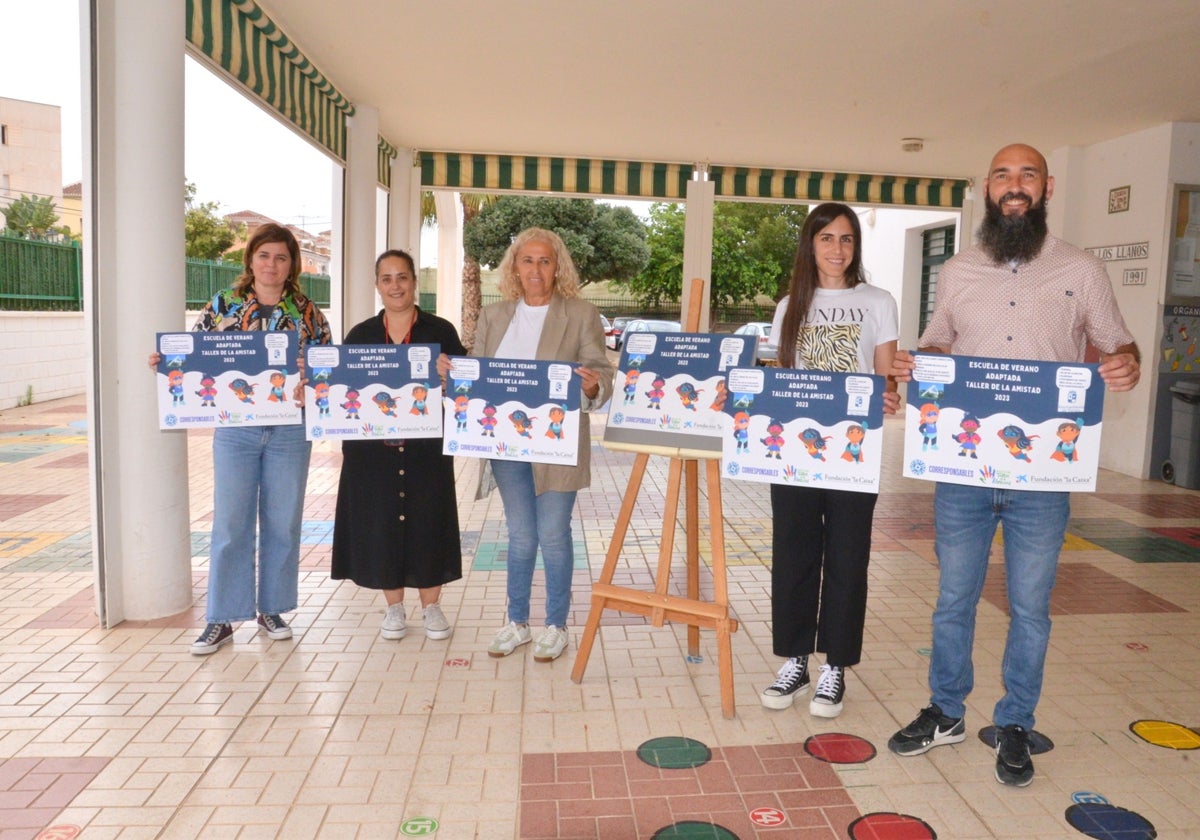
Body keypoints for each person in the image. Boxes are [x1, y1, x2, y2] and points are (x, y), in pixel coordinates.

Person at [886, 144, 1141, 787]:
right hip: (964, 471)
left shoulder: (1080, 270)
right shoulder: (958, 270)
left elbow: (1118, 343)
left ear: (1046, 186)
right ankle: (946, 711)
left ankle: (1016, 722)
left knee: (1031, 606)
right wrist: (921, 359)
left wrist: (1126, 362)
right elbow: (939, 335)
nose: (1015, 185)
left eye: (1027, 174)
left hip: (1042, 478)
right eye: (1003, 175)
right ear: (988, 187)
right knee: (953, 599)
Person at [149, 223, 332, 654]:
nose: (272, 264)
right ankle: (222, 617)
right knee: (231, 523)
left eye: (281, 257)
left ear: (292, 265)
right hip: (236, 430)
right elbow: (192, 358)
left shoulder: (308, 312)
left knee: (283, 521)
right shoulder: (223, 305)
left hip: (291, 431)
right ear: (250, 260)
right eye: (264, 255)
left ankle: (272, 609)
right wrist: (165, 363)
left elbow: (327, 368)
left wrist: (313, 381)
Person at [441, 227, 613, 662]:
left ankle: (556, 626)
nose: (535, 269)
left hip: (558, 446)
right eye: (527, 260)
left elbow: (600, 373)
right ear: (514, 267)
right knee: (519, 535)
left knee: (553, 535)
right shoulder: (495, 316)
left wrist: (593, 386)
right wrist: (452, 377)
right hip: (505, 447)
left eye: (545, 261)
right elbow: (476, 378)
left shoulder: (580, 313)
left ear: (558, 267)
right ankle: (516, 622)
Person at [758, 202, 899, 719]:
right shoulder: (788, 306)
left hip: (854, 454)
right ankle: (795, 660)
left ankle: (835, 667)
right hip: (795, 453)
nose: (837, 249)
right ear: (810, 245)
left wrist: (890, 395)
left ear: (854, 247)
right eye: (826, 239)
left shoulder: (879, 301)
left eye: (846, 239)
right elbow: (782, 383)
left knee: (846, 560)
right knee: (793, 556)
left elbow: (887, 380)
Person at [331, 250, 465, 641]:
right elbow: (343, 390)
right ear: (377, 286)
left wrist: (449, 379)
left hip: (426, 450)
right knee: (384, 524)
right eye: (387, 279)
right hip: (374, 453)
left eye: (402, 277)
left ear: (414, 283)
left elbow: (466, 390)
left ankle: (432, 607)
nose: (395, 286)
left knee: (428, 521)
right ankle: (393, 608)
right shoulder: (360, 336)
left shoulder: (440, 332)